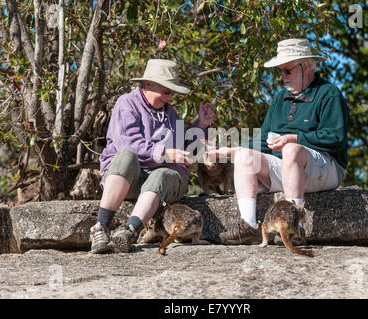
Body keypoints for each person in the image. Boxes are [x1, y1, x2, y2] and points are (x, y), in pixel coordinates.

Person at [206, 38, 350, 244]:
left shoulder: (329, 93)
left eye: (287, 70)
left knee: (291, 149)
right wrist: (233, 150)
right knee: (244, 156)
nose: (283, 76)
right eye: (280, 71)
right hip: (287, 169)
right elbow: (264, 142)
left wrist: (296, 139)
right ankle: (249, 225)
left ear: (306, 66)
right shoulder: (280, 98)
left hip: (326, 167)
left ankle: (296, 227)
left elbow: (336, 138)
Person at [89, 59, 214, 253]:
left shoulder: (170, 114)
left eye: (172, 92)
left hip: (160, 183)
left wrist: (201, 126)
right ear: (148, 85)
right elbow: (127, 142)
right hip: (128, 178)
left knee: (163, 173)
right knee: (125, 157)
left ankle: (129, 231)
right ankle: (100, 227)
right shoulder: (127, 103)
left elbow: (186, 150)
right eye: (166, 91)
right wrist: (164, 153)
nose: (169, 97)